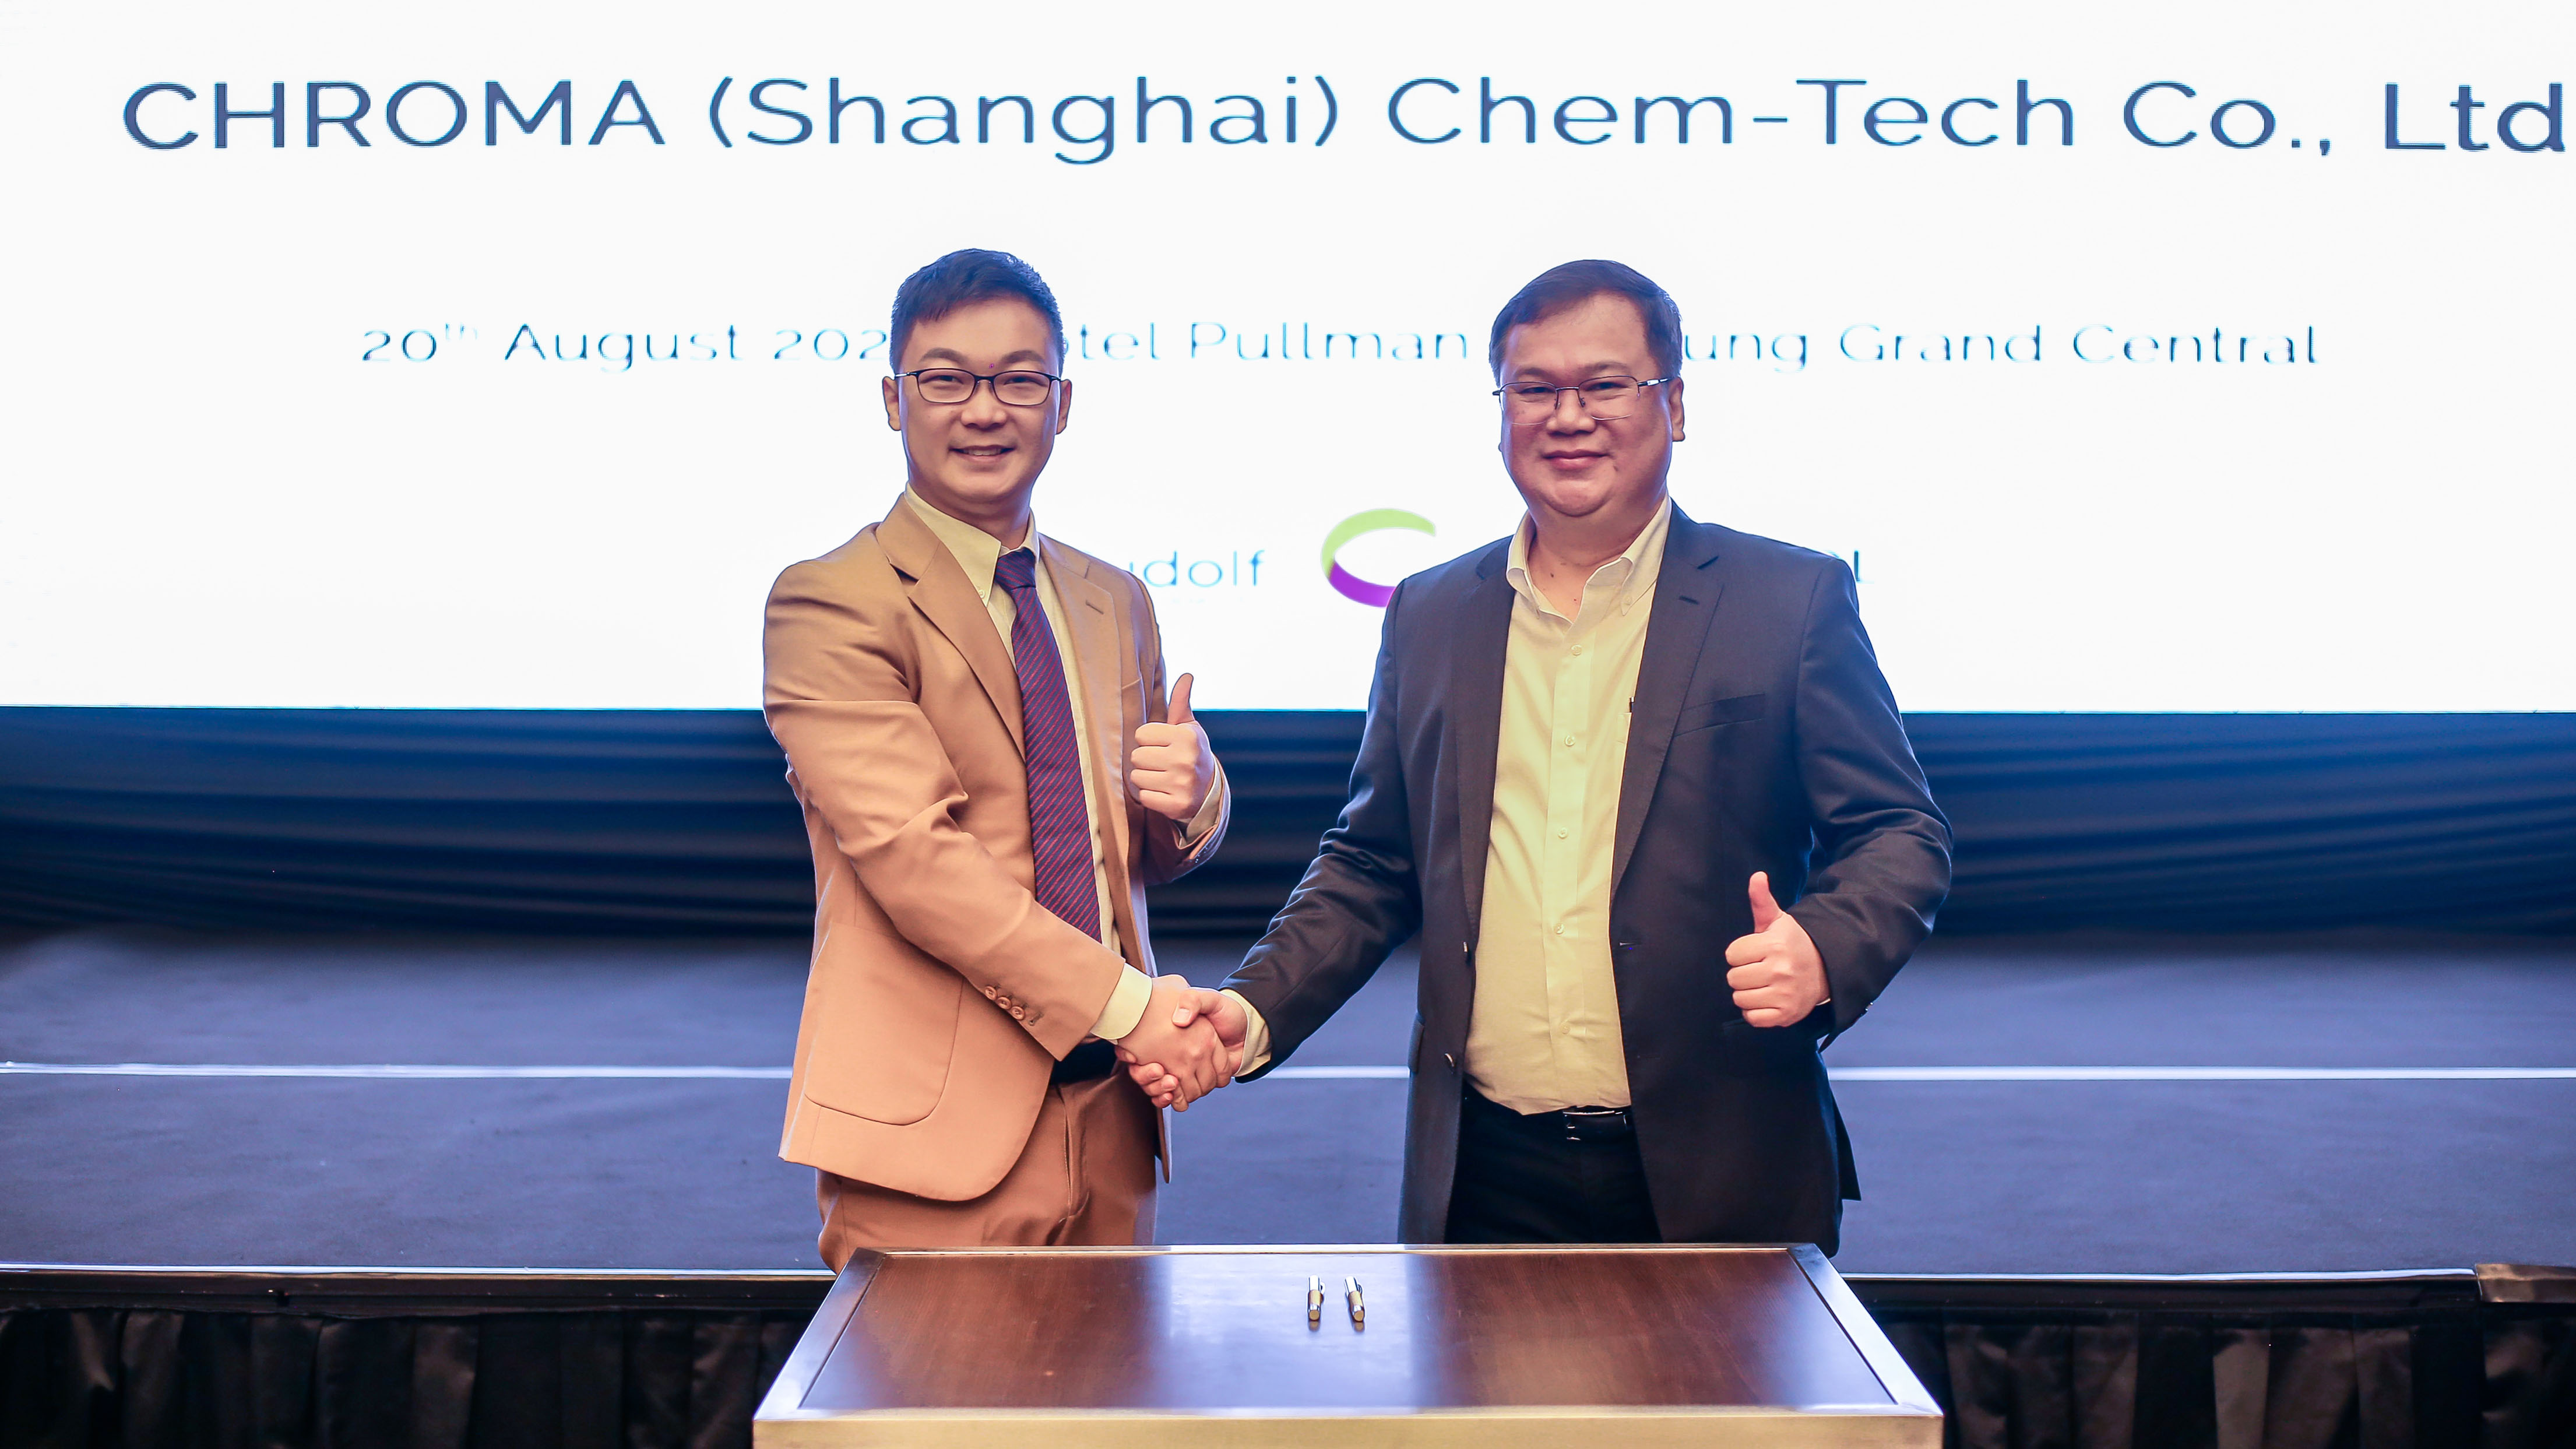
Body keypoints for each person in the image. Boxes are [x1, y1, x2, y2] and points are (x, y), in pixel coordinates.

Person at [1124, 259, 1951, 1251]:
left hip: (1723, 1165)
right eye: (1534, 388)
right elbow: (1373, 862)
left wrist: (1823, 948)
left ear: (1675, 404)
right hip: (1483, 1175)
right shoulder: (1432, 612)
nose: (1569, 417)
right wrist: (1251, 1010)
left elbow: (1900, 831)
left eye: (1606, 385)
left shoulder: (1787, 600)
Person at [764, 248, 1237, 1268]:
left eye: (1019, 379)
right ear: (894, 399)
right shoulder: (831, 602)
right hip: (934, 1142)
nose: (984, 409)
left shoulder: (1115, 599)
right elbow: (918, 864)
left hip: (1112, 1119)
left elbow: (1128, 850)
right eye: (947, 379)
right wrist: (1137, 1009)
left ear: (1061, 403)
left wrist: (1197, 797)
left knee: (1112, 1381)